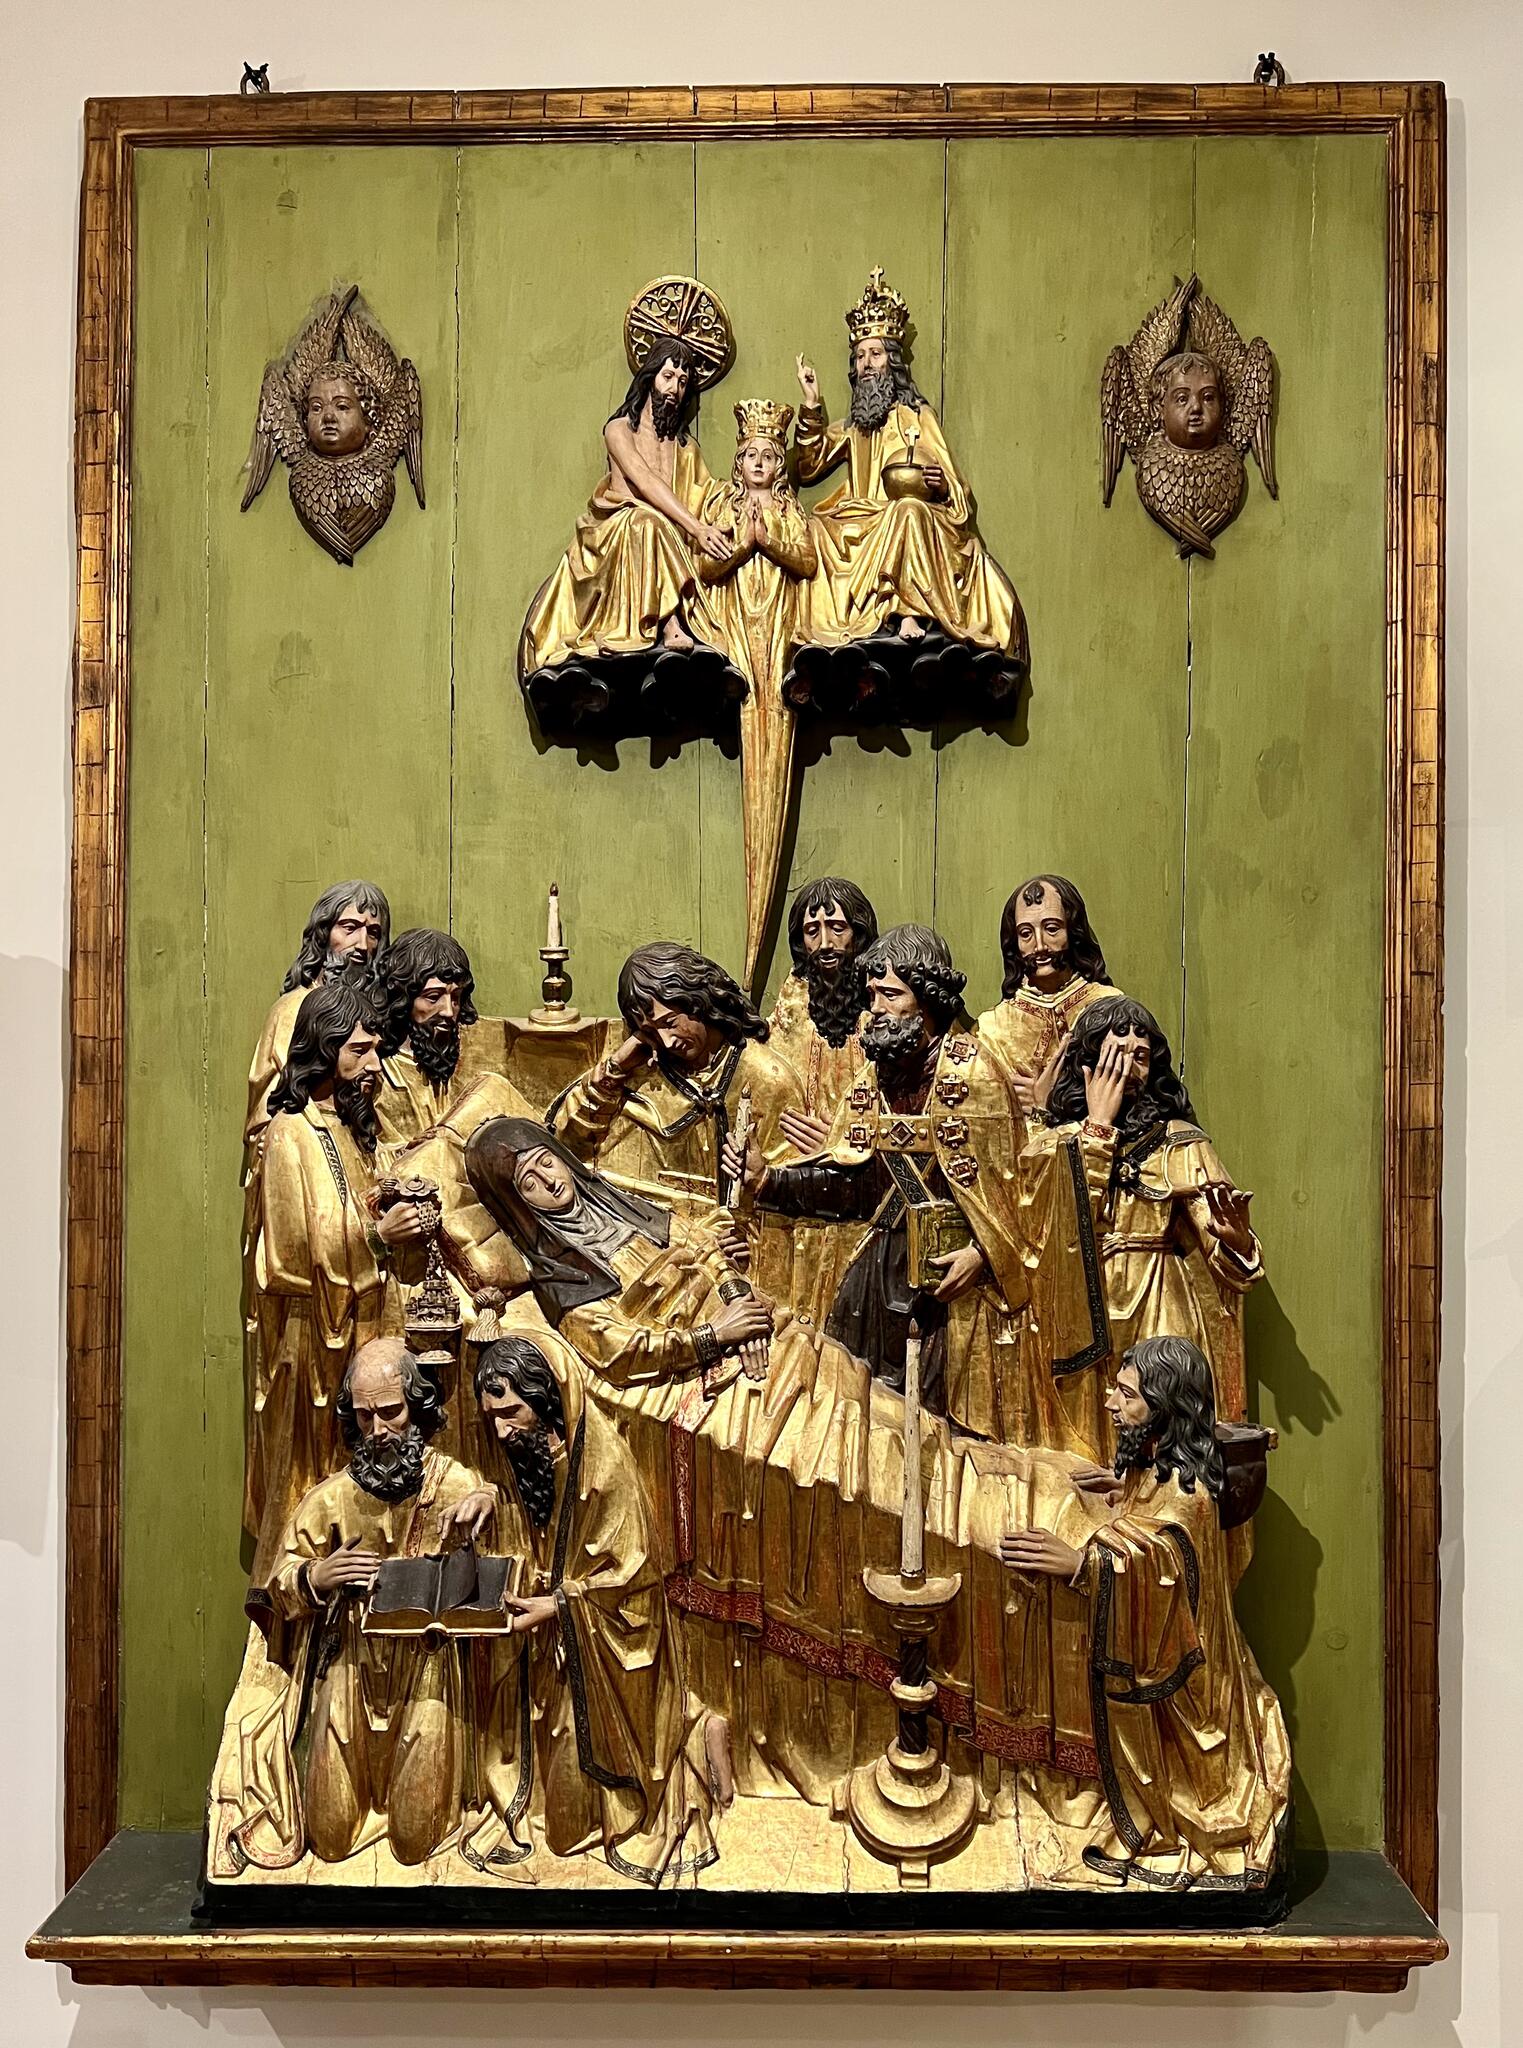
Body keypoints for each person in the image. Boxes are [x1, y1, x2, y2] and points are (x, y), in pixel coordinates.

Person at [727, 923, 1042, 1445]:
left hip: (953, 1292)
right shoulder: (872, 1081)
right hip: (875, 1277)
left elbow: (1015, 1198)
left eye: (891, 995)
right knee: (860, 1418)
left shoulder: (977, 1076)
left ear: (929, 1000)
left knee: (938, 1435)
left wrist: (982, 1255)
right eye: (872, 994)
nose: (874, 1008)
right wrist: (769, 1180)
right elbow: (852, 1182)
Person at [1002, 1336, 1290, 1890]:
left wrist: (1079, 1564)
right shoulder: (1164, 1467)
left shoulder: (1187, 1496)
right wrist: (1124, 1485)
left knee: (1177, 1756)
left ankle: (1166, 1825)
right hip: (1177, 1653)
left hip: (1188, 1684)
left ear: (1165, 1407)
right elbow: (1151, 1519)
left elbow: (1159, 1571)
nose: (1110, 1402)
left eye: (1127, 1394)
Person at [207, 1340, 494, 1874]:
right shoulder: (330, 1499)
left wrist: (489, 1498)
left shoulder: (455, 1484)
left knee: (416, 1838)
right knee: (331, 1836)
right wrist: (315, 1577)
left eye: (392, 1412)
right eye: (365, 1416)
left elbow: (507, 1546)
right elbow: (278, 1587)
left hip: (426, 1669)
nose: (379, 1430)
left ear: (417, 1407)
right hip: (350, 1667)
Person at [464, 1334, 728, 1884]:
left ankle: (694, 1728)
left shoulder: (604, 1467)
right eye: (492, 1418)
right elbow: (526, 1518)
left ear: (546, 1398)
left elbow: (631, 1579)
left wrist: (559, 1605)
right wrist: (487, 1494)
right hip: (546, 1651)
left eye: (511, 1413)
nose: (502, 1431)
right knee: (550, 1818)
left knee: (567, 1827)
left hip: (602, 1651)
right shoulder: (525, 1451)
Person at [244, 981, 428, 1579]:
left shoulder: (349, 1128)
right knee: (312, 1474)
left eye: (376, 1049)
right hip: (313, 1347)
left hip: (366, 1322)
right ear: (324, 1050)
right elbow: (289, 1253)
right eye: (359, 1050)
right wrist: (377, 1235)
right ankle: (297, 1589)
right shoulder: (288, 1132)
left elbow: (353, 1205)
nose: (375, 1065)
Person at [1021, 995, 1262, 1425]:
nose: (1129, 1069)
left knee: (1159, 1415)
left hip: (1160, 1302)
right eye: (1116, 1055)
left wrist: (1237, 1242)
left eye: (1141, 1056)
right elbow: (1044, 1232)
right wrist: (1097, 1128)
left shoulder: (1181, 1142)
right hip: (1081, 1309)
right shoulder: (1056, 1143)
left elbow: (1223, 1252)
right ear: (1088, 1062)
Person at [793, 267, 1027, 665]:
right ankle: (828, 627)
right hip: (863, 521)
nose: (867, 364)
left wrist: (941, 485)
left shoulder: (918, 417)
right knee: (816, 526)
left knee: (907, 510)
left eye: (876, 354)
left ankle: (909, 612)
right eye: (860, 356)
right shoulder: (853, 426)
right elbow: (808, 466)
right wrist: (812, 405)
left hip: (907, 517)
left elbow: (956, 488)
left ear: (893, 361)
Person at [548, 940, 804, 1303]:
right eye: (650, 1033)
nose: (666, 1042)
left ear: (698, 1001)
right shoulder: (640, 1080)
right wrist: (616, 1068)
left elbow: (795, 1206)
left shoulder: (768, 1080)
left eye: (670, 1023)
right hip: (650, 1265)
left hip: (741, 1278)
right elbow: (562, 1148)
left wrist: (745, 1236)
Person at [694, 400, 821, 987]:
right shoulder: (725, 507)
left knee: (775, 718)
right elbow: (707, 565)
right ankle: (749, 963)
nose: (762, 463)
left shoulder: (788, 510)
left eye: (771, 455)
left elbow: (807, 560)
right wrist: (745, 544)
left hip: (779, 628)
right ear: (738, 462)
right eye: (752, 455)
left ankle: (754, 960)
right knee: (751, 710)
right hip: (737, 628)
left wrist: (765, 541)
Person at [519, 336, 730, 682]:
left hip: (665, 537)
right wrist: (696, 528)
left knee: (657, 526)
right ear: (649, 378)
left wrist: (736, 508)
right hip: (616, 531)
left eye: (682, 382)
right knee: (647, 521)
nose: (674, 389)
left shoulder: (685, 448)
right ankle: (668, 623)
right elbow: (643, 480)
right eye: (667, 376)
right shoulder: (619, 431)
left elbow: (707, 493)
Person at [244, 880, 390, 1152]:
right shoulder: (294, 1009)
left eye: (373, 933)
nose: (362, 945)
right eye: (350, 928)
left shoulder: (378, 1015)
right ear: (323, 933)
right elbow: (270, 1111)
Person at [977, 874, 1120, 1119]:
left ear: (1073, 932)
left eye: (1052, 929)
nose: (1040, 945)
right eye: (1025, 933)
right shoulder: (993, 1029)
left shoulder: (1109, 1007)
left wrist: (1051, 1101)